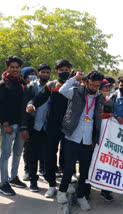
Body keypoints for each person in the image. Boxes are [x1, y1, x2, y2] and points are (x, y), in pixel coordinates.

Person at [56, 71, 105, 211]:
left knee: (85, 171)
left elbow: (102, 115)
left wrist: (96, 138)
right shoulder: (76, 91)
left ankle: (81, 196)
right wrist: (74, 78)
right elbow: (62, 90)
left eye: (97, 86)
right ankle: (61, 191)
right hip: (72, 136)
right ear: (86, 81)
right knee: (69, 167)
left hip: (88, 139)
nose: (94, 88)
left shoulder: (100, 97)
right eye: (92, 85)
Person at [26, 59, 72, 198]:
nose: (64, 72)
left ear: (70, 71)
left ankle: (66, 184)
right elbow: (37, 99)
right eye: (61, 70)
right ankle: (51, 185)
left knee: (67, 157)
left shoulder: (76, 85)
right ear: (57, 71)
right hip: (52, 127)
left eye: (66, 70)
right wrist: (31, 104)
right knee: (49, 156)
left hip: (70, 127)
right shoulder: (51, 85)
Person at [20, 64, 51, 192]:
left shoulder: (52, 88)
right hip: (33, 127)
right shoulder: (30, 88)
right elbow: (24, 109)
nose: (45, 74)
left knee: (46, 155)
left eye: (47, 72)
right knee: (32, 156)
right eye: (42, 72)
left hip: (47, 128)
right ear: (38, 73)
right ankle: (33, 181)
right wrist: (24, 128)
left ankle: (50, 181)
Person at [0, 56, 27, 195]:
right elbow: (1, 106)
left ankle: (13, 177)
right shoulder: (3, 84)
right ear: (7, 68)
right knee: (5, 154)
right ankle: (3, 182)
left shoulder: (22, 83)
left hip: (21, 125)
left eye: (17, 67)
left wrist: (24, 126)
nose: (15, 69)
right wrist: (5, 124)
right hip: (8, 125)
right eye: (12, 67)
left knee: (17, 153)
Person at [20, 67, 37, 181]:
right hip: (26, 122)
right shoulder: (21, 87)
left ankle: (41, 168)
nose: (32, 76)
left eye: (34, 74)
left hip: (38, 122)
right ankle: (27, 169)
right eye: (29, 75)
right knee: (27, 148)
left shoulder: (37, 87)